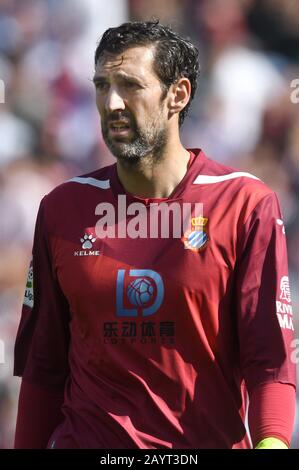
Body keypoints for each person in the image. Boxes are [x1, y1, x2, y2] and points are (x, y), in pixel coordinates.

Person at [14, 20, 296, 449]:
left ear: (177, 95)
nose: (111, 103)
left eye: (129, 85)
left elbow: (270, 362)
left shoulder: (244, 205)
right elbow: (44, 367)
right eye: (101, 85)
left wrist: (272, 442)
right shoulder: (62, 209)